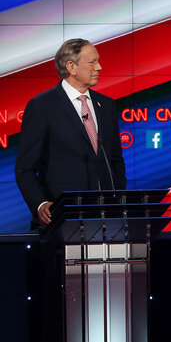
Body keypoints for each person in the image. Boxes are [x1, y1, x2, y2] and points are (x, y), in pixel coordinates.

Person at [15, 38, 127, 230]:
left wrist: (114, 196)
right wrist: (41, 203)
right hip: (61, 218)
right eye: (92, 62)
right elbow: (24, 168)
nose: (99, 67)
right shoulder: (42, 106)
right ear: (71, 67)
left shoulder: (106, 105)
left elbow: (115, 160)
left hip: (107, 218)